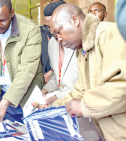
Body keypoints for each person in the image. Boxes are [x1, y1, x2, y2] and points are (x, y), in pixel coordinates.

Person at [50, 3, 126, 140]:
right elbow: (82, 90)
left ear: (75, 20)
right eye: (55, 36)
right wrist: (53, 107)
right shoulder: (83, 50)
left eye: (59, 32)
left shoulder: (107, 34)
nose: (59, 40)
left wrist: (84, 105)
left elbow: (121, 86)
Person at [0, 0, 44, 123]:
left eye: (3, 20)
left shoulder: (30, 30)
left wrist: (4, 104)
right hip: (2, 94)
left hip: (28, 96)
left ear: (12, 13)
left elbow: (27, 71)